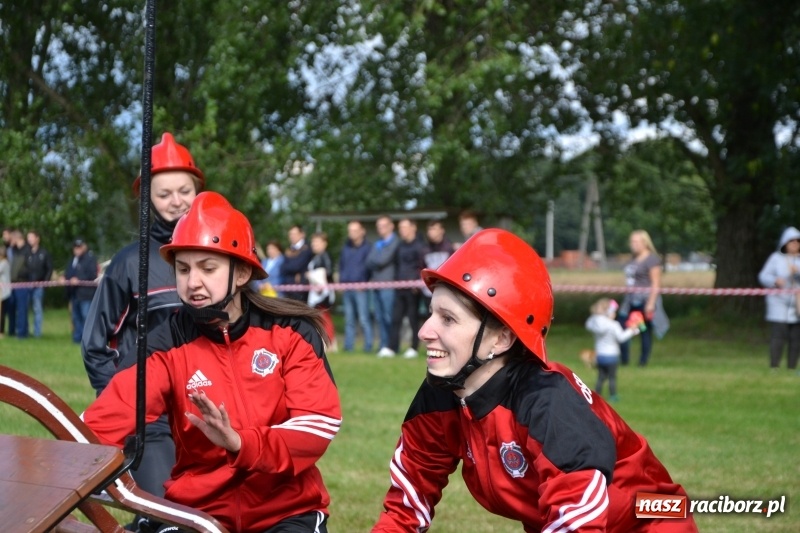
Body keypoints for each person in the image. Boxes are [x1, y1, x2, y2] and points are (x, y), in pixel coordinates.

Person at [371, 228, 697, 533]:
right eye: (431, 313)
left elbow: (577, 522)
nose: (424, 332)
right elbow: (406, 508)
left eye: (448, 319)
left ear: (501, 339)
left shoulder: (546, 402)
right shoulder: (441, 393)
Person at [82, 192, 341, 533]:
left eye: (208, 268)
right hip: (196, 513)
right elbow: (107, 420)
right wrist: (56, 466)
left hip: (286, 512)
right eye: (183, 268)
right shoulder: (164, 343)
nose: (192, 283)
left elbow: (315, 427)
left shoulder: (292, 331)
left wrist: (240, 443)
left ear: (242, 272)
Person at [81, 132, 204, 515]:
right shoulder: (129, 263)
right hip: (151, 419)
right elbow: (96, 345)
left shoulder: (212, 256)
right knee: (169, 513)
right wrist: (127, 400)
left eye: (184, 191)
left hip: (205, 415)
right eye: (164, 193)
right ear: (147, 197)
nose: (176, 201)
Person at [618, 229, 668, 367]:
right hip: (630, 300)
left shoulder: (652, 260)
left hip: (645, 301)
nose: (632, 244)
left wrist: (651, 304)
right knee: (622, 326)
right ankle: (624, 360)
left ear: (645, 243)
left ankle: (642, 362)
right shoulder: (633, 259)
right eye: (631, 241)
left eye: (635, 241)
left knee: (644, 331)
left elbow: (656, 283)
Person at [758, 226, 800, 372]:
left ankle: (791, 367)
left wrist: (797, 273)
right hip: (778, 305)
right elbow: (763, 276)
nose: (795, 243)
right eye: (791, 241)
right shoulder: (775, 259)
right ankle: (774, 366)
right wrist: (775, 281)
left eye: (797, 241)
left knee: (796, 338)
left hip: (797, 306)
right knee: (778, 337)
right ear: (785, 243)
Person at [585, 298, 641, 402]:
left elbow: (589, 323)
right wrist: (632, 330)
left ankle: (596, 395)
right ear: (609, 312)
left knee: (601, 377)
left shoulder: (594, 324)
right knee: (612, 377)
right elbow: (621, 338)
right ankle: (613, 395)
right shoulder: (613, 325)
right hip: (612, 356)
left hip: (600, 355)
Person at [388, 218, 425, 358]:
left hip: (413, 289)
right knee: (395, 318)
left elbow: (421, 265)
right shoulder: (400, 246)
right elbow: (397, 264)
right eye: (400, 227)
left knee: (412, 318)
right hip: (399, 287)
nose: (402, 230)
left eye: (404, 227)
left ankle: (413, 347)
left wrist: (417, 282)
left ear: (413, 227)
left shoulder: (420, 246)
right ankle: (392, 347)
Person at [339, 220, 373, 353]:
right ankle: (348, 346)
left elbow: (369, 267)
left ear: (362, 231)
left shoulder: (368, 247)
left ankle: (368, 346)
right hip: (347, 287)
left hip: (361, 288)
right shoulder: (345, 247)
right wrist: (341, 282)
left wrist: (365, 282)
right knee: (349, 320)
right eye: (350, 230)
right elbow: (341, 266)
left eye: (354, 230)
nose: (351, 233)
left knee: (364, 319)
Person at [368, 215, 399, 357]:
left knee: (388, 316)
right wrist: (377, 260)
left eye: (384, 225)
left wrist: (376, 259)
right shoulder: (378, 243)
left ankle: (392, 346)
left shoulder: (395, 242)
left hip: (388, 284)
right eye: (379, 226)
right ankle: (383, 345)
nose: (381, 229)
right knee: (379, 317)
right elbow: (368, 261)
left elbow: (382, 260)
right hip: (376, 284)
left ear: (391, 226)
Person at [64, 238, 98, 344]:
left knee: (86, 317)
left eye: (79, 247)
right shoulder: (73, 260)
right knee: (76, 317)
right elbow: (69, 272)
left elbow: (92, 274)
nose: (77, 250)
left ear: (84, 247)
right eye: (75, 247)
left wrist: (78, 279)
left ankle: (87, 339)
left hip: (86, 294)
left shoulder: (90, 259)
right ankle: (77, 338)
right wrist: (65, 278)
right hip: (75, 293)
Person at [307, 231, 336, 349]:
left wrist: (314, 276)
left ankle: (329, 342)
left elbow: (328, 272)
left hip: (323, 292)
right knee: (319, 317)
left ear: (324, 243)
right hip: (315, 293)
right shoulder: (315, 257)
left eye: (317, 242)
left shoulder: (325, 256)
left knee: (324, 316)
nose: (314, 244)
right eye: (313, 242)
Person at [420, 219, 454, 312]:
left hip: (446, 291)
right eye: (429, 229)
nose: (431, 232)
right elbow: (421, 267)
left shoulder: (450, 248)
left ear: (442, 230)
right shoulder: (424, 249)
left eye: (434, 229)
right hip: (428, 292)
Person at [25, 230, 54, 338]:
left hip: (39, 286)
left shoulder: (44, 253)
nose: (29, 240)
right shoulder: (26, 253)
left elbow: (49, 269)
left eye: (31, 237)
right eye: (28, 238)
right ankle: (26, 331)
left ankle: (37, 333)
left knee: (37, 309)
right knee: (25, 309)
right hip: (27, 285)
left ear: (37, 238)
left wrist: (45, 282)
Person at [281, 224, 314, 303]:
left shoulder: (307, 249)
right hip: (288, 287)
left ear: (302, 234)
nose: (292, 236)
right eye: (290, 234)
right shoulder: (288, 249)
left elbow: (297, 266)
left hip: (300, 288)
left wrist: (288, 266)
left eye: (294, 234)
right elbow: (282, 267)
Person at [9, 229, 32, 339]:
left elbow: (29, 269)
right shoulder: (15, 251)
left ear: (16, 238)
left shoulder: (27, 251)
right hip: (14, 284)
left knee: (22, 309)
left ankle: (22, 333)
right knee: (15, 308)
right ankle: (18, 330)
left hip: (23, 284)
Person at [0, 244, 10, 338]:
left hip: (3, 291)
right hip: (2, 291)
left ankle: (1, 331)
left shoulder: (4, 263)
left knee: (1, 312)